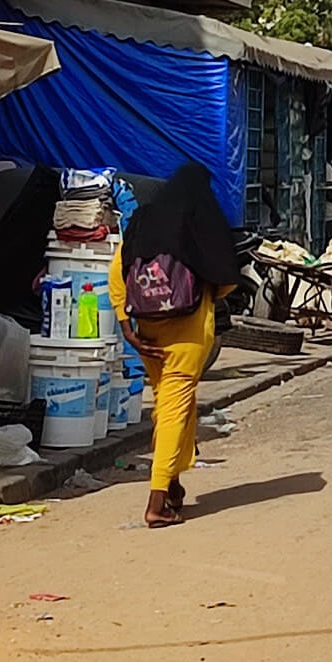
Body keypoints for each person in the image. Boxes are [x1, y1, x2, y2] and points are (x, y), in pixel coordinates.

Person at [109, 164, 241, 528]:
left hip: (147, 330)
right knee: (175, 407)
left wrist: (127, 327)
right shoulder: (201, 222)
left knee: (170, 405)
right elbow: (227, 278)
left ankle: (172, 485)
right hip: (189, 328)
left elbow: (116, 274)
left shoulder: (144, 220)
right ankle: (155, 501)